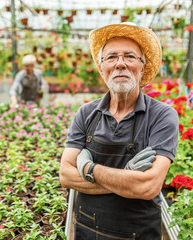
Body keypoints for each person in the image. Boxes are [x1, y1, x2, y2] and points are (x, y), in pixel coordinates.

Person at [60, 22, 179, 240]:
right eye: (112, 57)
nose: (120, 64)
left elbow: (148, 186)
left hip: (139, 233)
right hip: (88, 229)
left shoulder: (162, 115)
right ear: (102, 68)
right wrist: (128, 179)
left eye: (130, 56)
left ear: (142, 68)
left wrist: (88, 168)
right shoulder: (86, 113)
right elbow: (66, 175)